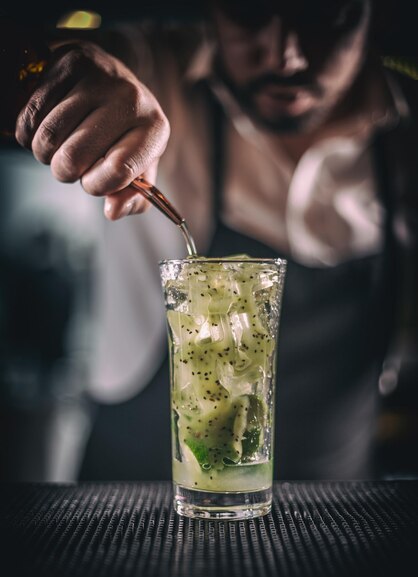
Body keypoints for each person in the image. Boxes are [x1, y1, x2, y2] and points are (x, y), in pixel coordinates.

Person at [13, 0, 418, 480]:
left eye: (323, 16)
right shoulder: (158, 67)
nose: (287, 57)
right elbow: (43, 64)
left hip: (337, 508)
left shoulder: (407, 132)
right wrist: (48, 70)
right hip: (131, 491)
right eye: (249, 14)